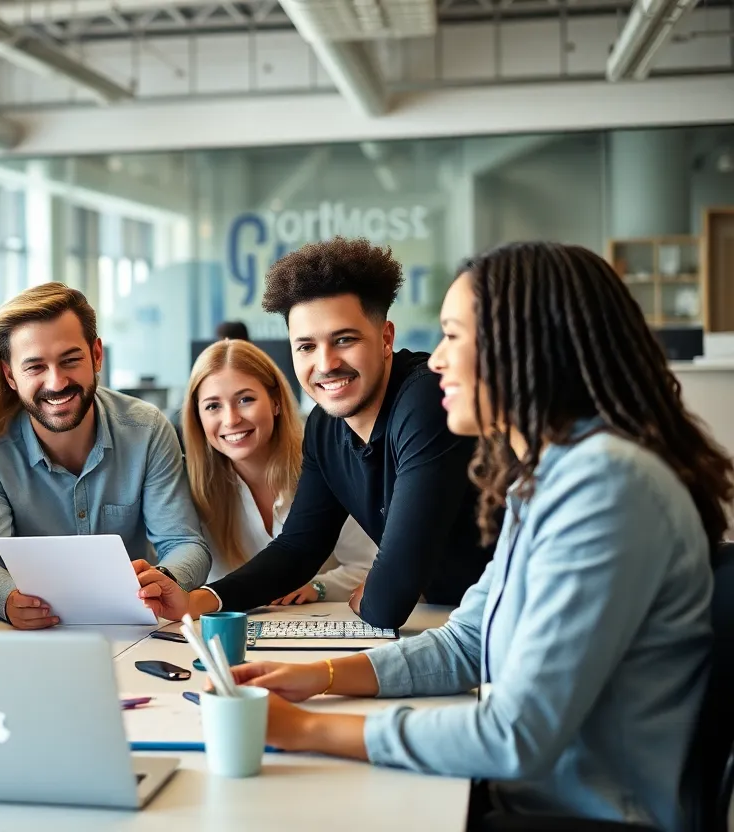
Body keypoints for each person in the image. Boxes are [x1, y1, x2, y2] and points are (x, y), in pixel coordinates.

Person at [220, 242, 733, 830]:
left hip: (586, 818)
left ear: (526, 345)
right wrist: (319, 678)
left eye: (453, 337)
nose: (436, 361)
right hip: (527, 801)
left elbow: (516, 734)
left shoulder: (605, 485)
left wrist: (307, 729)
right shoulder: (544, 479)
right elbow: (465, 643)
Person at [139, 238, 491, 629]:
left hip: (506, 619)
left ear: (386, 338)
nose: (326, 364)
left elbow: (388, 602)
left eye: (344, 340)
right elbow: (298, 548)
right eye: (306, 346)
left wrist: (372, 596)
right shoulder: (325, 426)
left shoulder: (426, 400)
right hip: (455, 623)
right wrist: (195, 601)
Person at [0, 282, 210, 629]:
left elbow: (184, 543)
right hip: (32, 634)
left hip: (132, 626)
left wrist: (162, 579)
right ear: (9, 374)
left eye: (70, 360)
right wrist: (10, 601)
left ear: (96, 355)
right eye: (35, 367)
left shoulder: (146, 429)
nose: (57, 382)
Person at [183, 338, 376, 599]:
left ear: (276, 402)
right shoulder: (189, 486)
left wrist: (317, 587)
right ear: (198, 417)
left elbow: (370, 567)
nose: (231, 420)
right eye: (213, 406)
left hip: (322, 620)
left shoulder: (325, 466)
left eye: (245, 400)